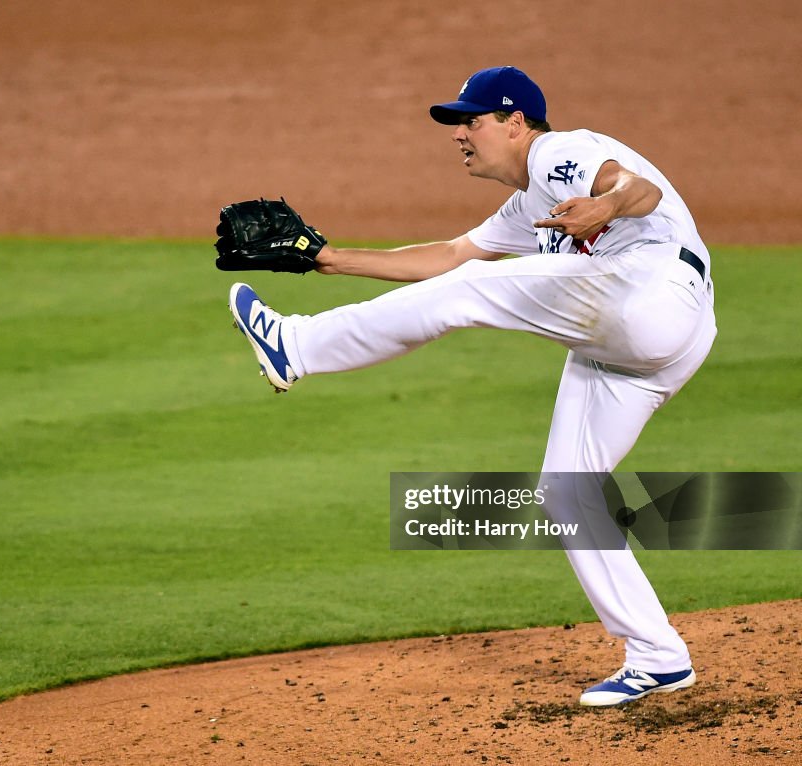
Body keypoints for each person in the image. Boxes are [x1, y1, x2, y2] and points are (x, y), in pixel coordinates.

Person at [226, 65, 716, 706]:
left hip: (651, 296)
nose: (460, 133)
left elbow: (637, 187)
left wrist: (606, 204)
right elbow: (451, 256)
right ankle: (658, 656)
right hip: (653, 344)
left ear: (516, 123)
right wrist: (326, 258)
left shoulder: (557, 152)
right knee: (567, 494)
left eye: (472, 120)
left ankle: (298, 346)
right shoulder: (527, 204)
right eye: (457, 122)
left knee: (466, 295)